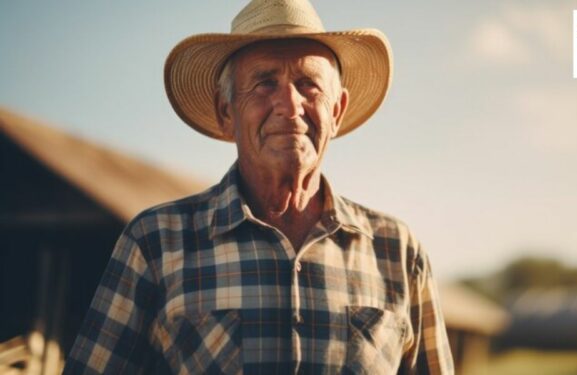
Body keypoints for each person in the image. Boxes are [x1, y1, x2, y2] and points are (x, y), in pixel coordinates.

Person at [63, 0, 453, 373]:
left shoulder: (397, 251)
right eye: (265, 83)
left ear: (336, 111)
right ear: (226, 111)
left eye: (309, 85)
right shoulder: (156, 242)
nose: (289, 104)